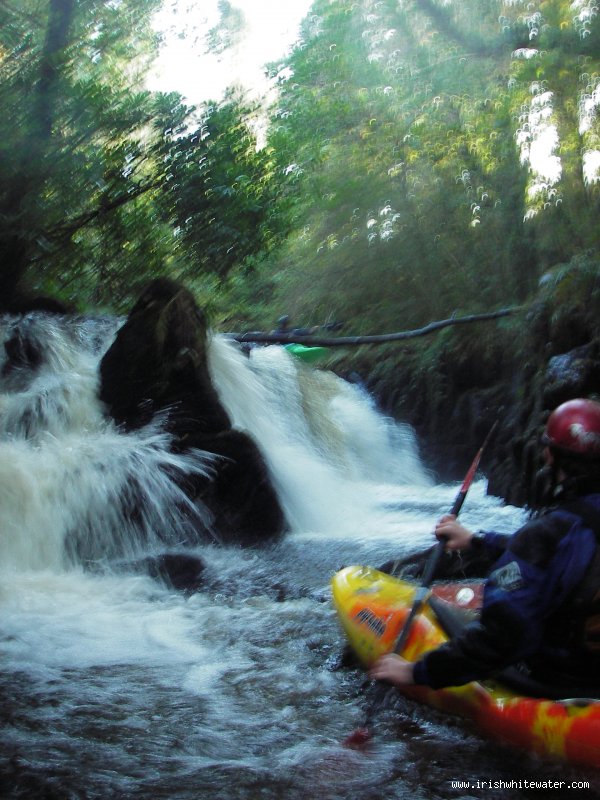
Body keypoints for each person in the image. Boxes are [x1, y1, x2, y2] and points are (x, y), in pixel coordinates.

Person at [370, 398, 600, 697]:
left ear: (551, 455)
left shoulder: (547, 534)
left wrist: (414, 672)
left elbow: (499, 640)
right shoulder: (564, 531)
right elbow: (556, 557)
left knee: (450, 615)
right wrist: (477, 542)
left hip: (562, 679)